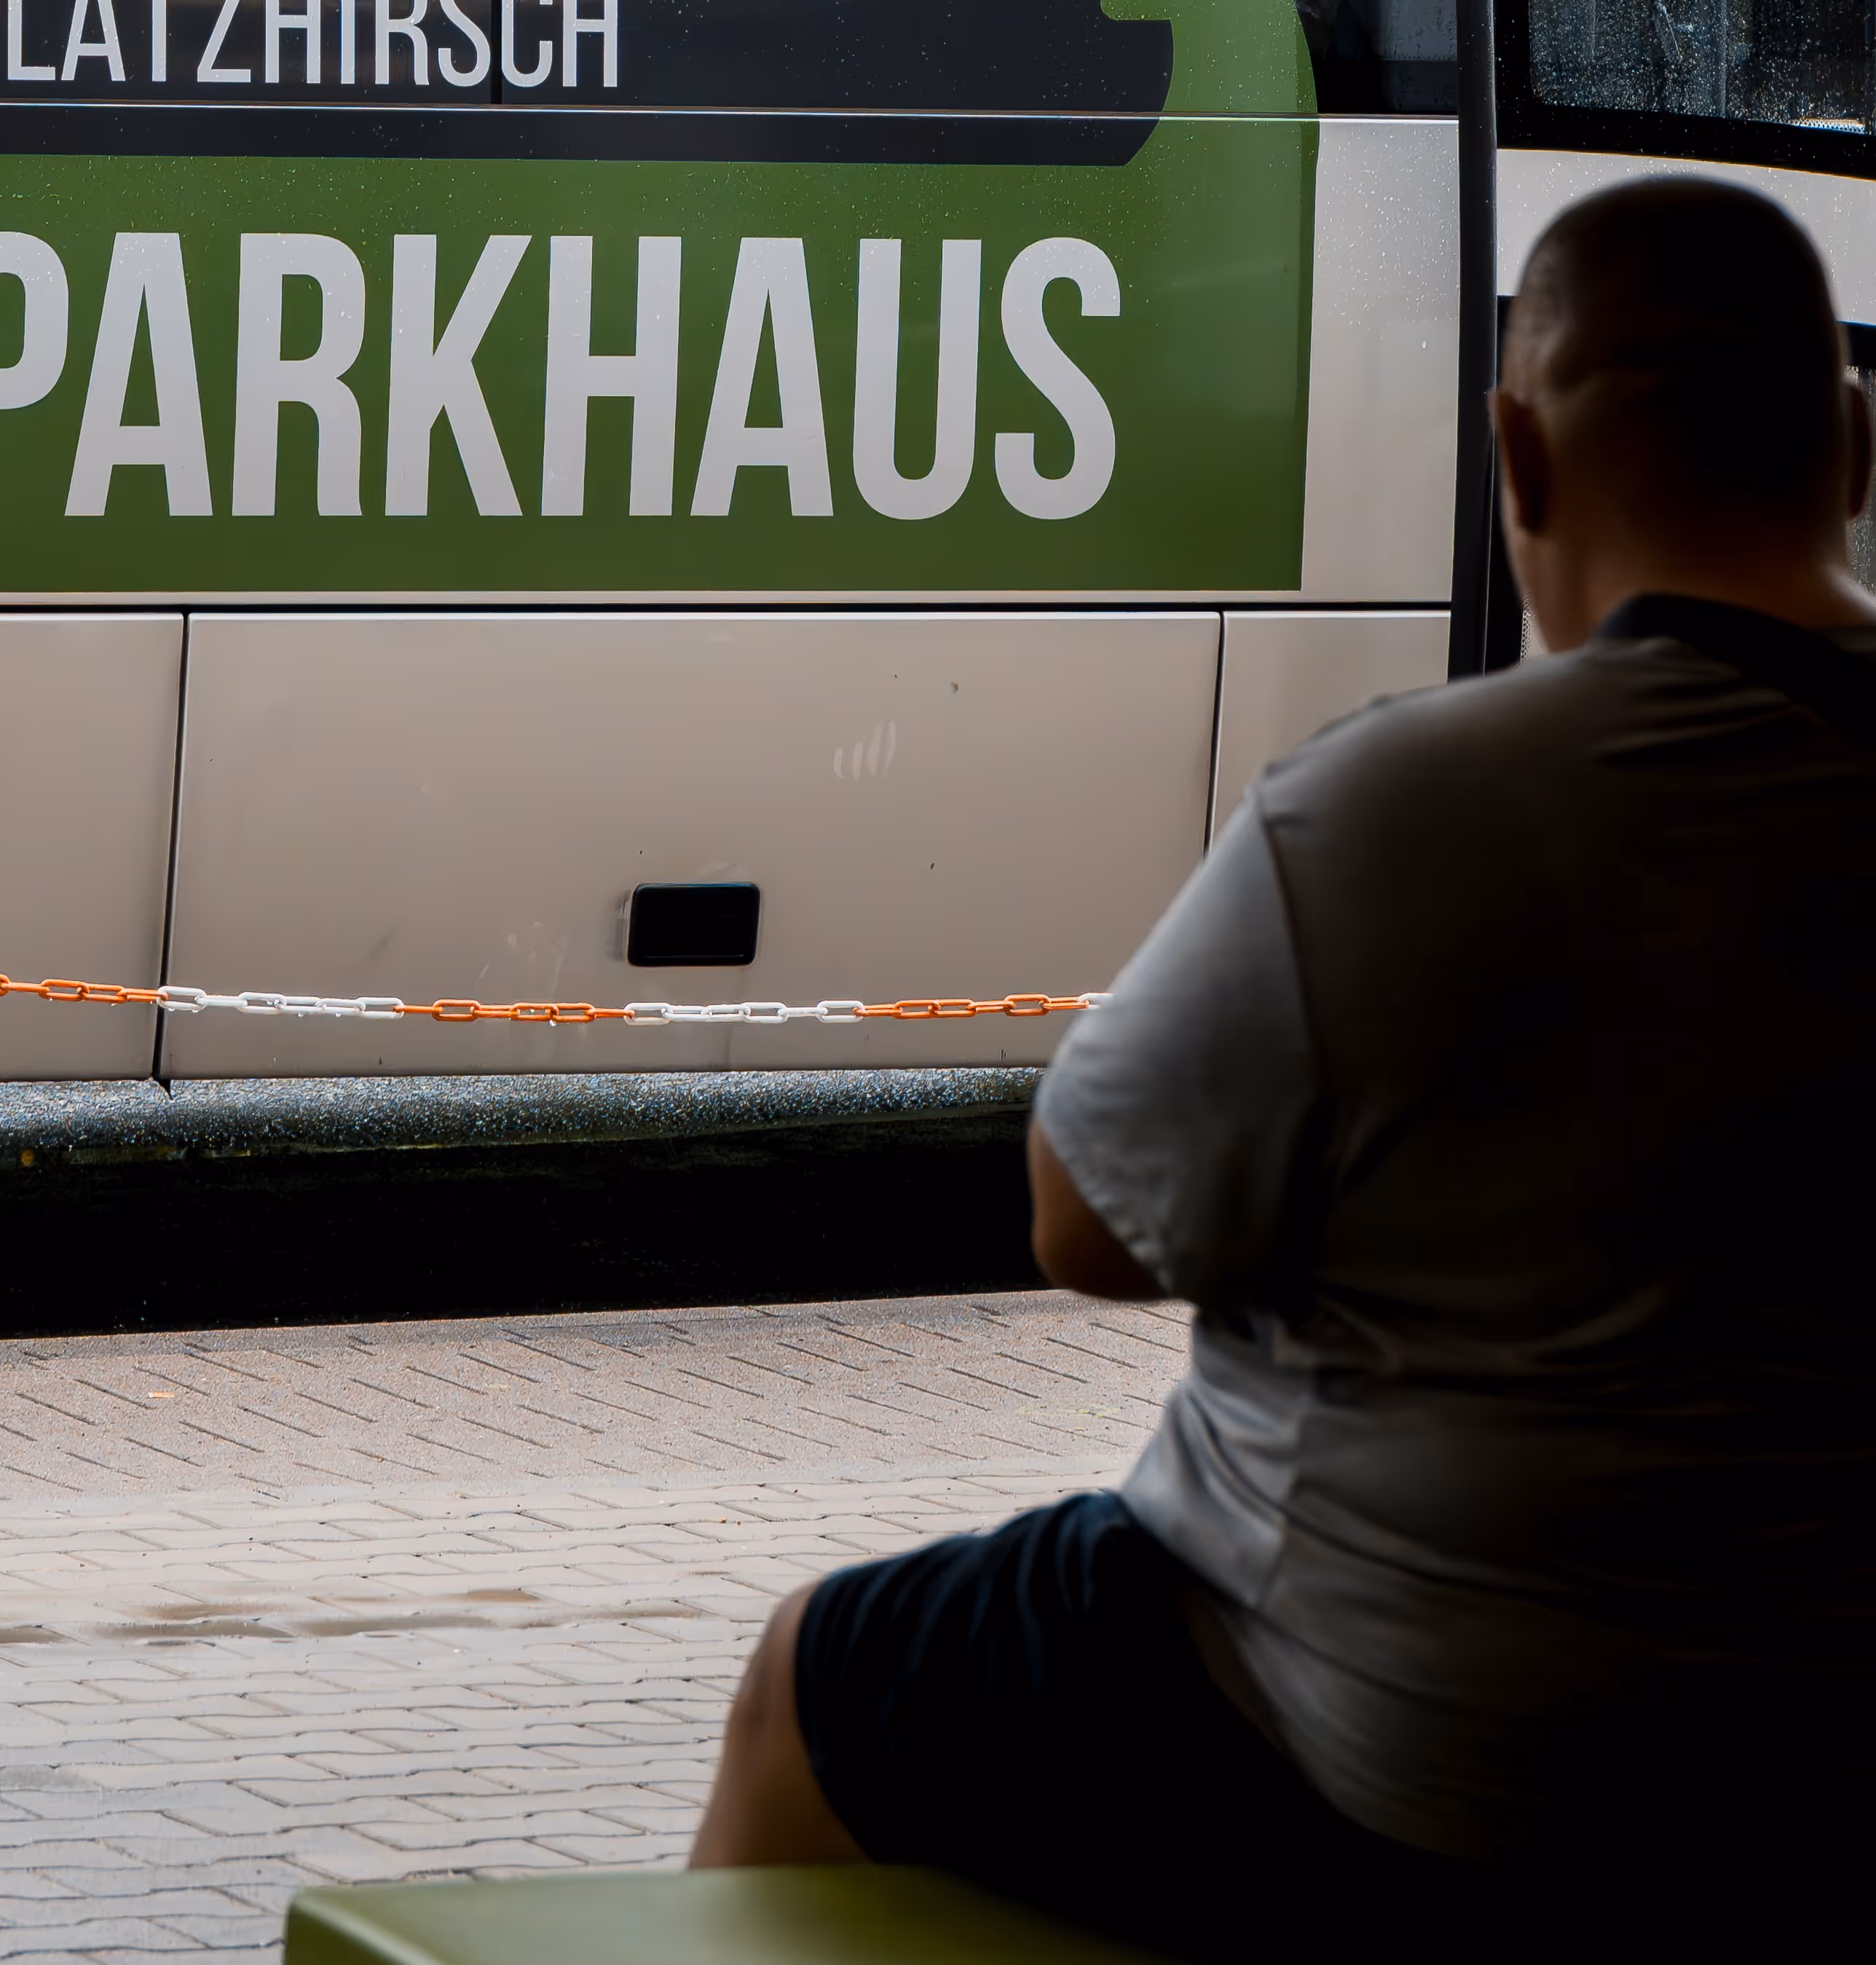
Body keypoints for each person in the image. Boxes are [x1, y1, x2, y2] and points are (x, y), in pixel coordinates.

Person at [691, 172, 1876, 1956]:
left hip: (1415, 1753)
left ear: (1519, 453)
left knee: (816, 1676)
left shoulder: (1407, 802)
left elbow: (1087, 1226)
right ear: (1852, 444)